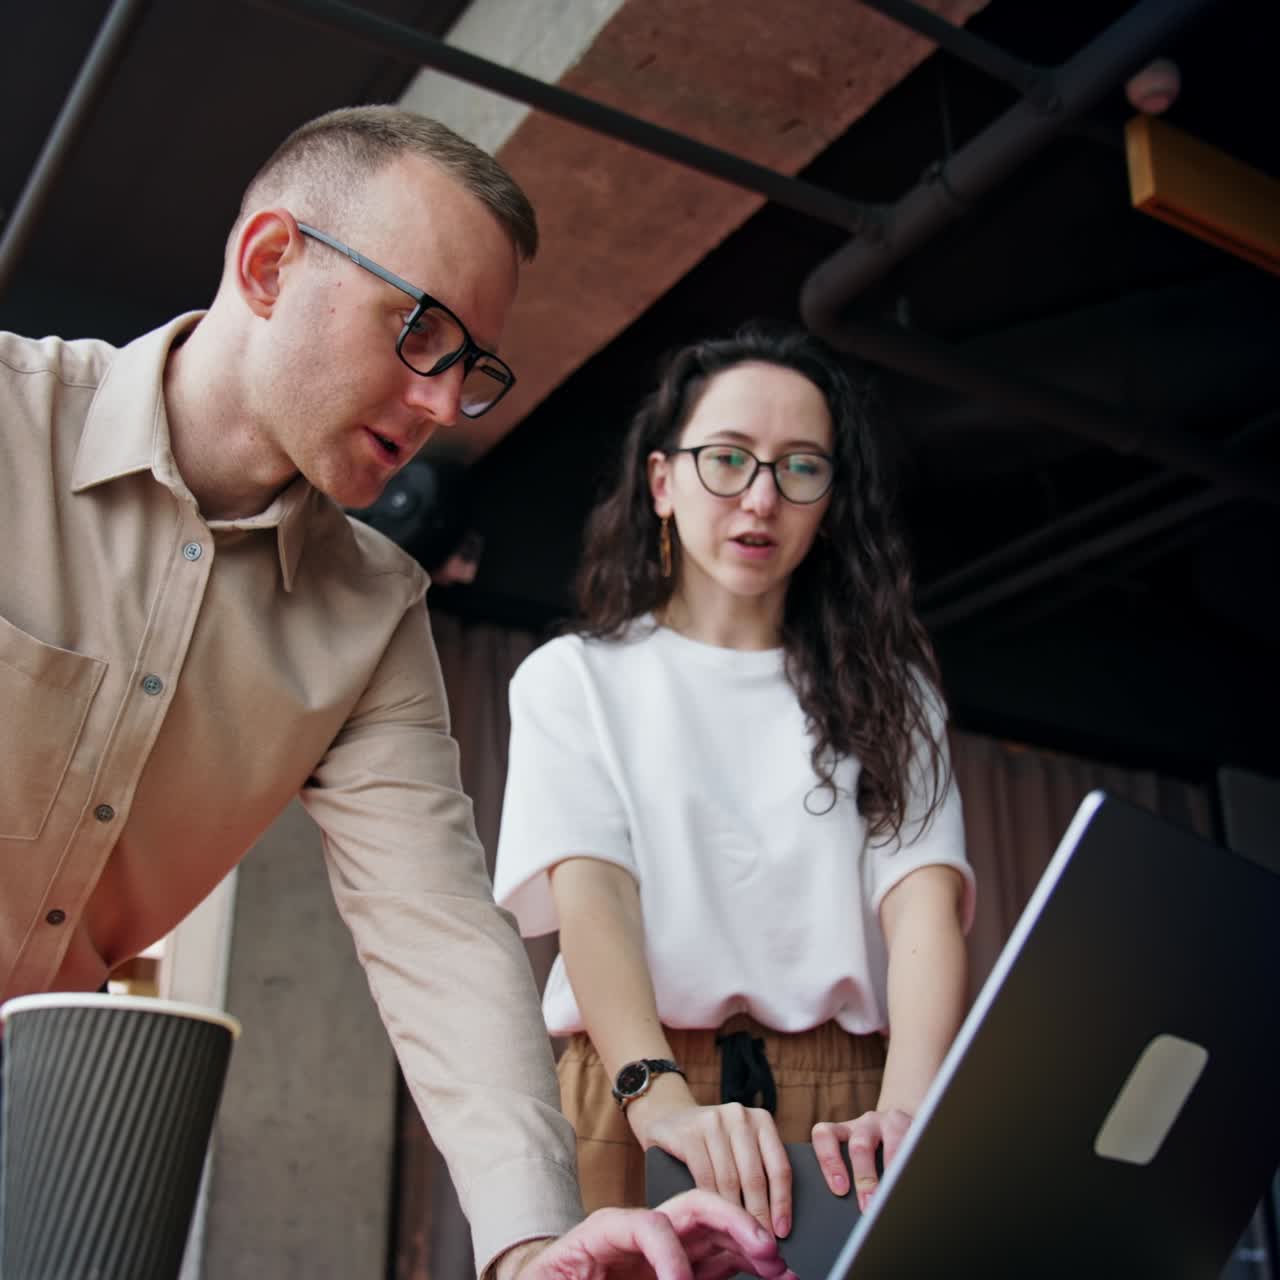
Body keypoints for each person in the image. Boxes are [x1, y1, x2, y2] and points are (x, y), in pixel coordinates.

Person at [0, 106, 796, 1280]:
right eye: (419, 329)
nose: (439, 402)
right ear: (270, 264)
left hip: (48, 1124)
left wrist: (535, 1241)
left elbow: (438, 933)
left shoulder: (370, 610)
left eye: (470, 365)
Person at [493, 328, 976, 1241]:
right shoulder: (574, 678)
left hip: (849, 1110)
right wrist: (656, 1097)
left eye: (801, 468)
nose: (762, 497)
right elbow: (593, 900)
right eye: (729, 460)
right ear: (663, 482)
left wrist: (909, 1113)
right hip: (634, 1087)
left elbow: (924, 905)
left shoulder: (894, 689)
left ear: (830, 503)